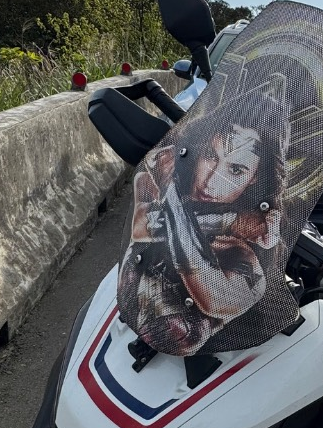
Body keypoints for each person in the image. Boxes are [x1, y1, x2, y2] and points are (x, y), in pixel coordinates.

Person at [117, 87, 289, 356]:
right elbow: (141, 226)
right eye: (210, 155)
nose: (211, 182)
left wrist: (170, 192)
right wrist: (229, 221)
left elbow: (218, 298)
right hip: (125, 323)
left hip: (202, 363)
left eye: (236, 169)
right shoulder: (164, 174)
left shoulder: (245, 252)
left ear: (255, 177)